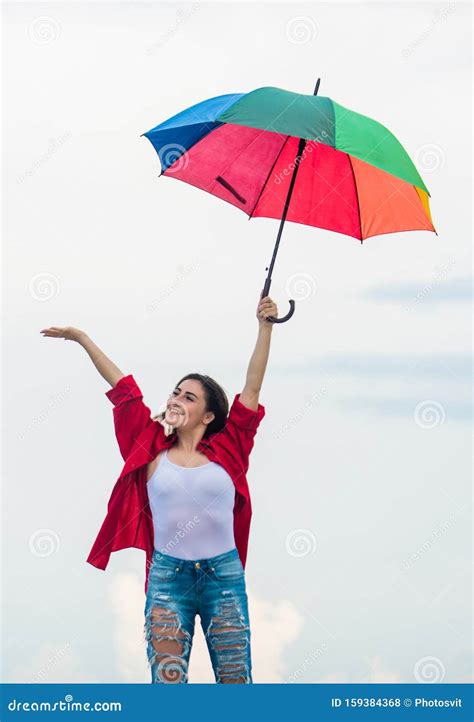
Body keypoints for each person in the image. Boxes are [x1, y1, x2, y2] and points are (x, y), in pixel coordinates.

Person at [40, 294, 277, 684]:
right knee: (167, 687)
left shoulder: (229, 446)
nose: (176, 399)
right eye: (175, 392)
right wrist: (82, 338)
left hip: (224, 576)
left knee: (236, 683)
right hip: (168, 579)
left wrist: (265, 326)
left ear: (210, 415)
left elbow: (251, 389)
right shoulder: (148, 446)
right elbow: (124, 389)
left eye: (189, 397)